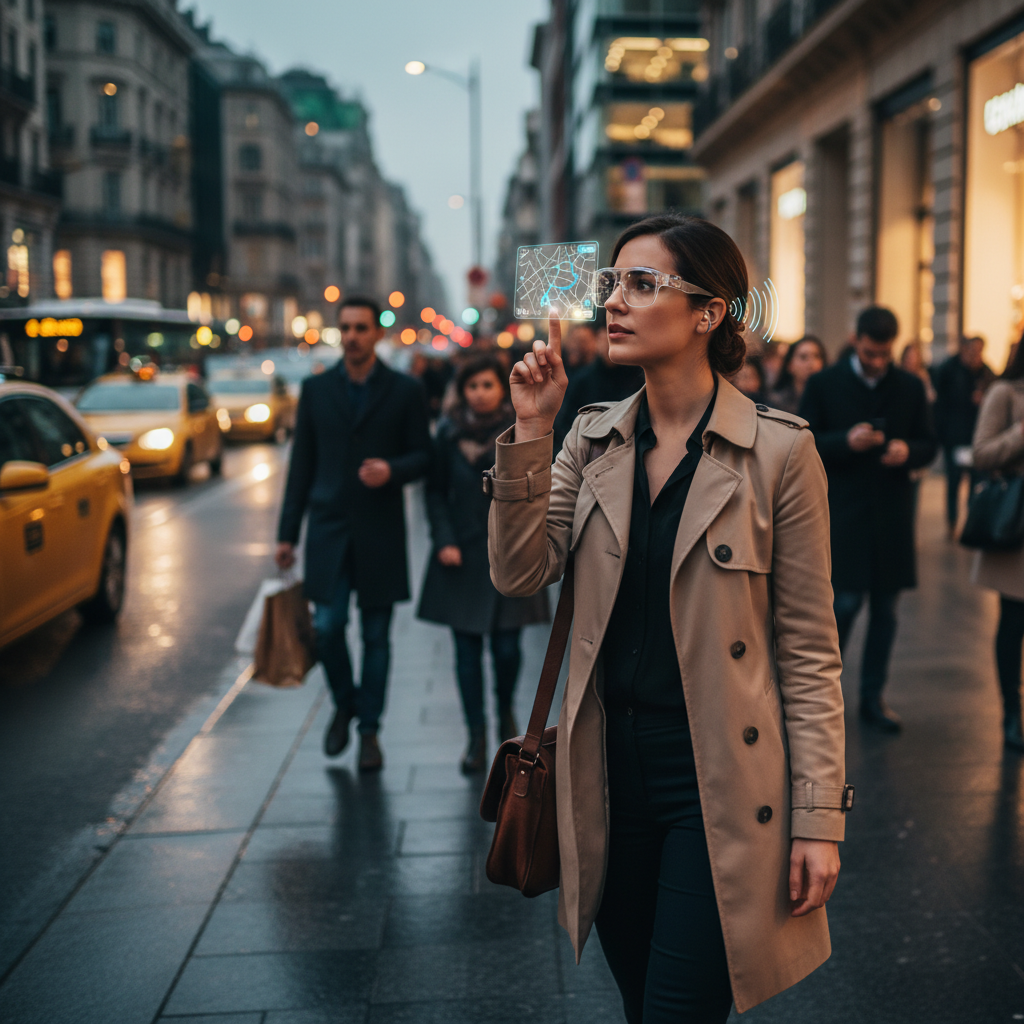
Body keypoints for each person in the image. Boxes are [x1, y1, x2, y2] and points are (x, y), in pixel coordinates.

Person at [487, 214, 848, 1021]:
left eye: (642, 284)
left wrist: (819, 818)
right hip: (605, 777)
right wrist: (535, 428)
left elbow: (809, 652)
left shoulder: (781, 454)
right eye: (611, 283)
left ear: (708, 313)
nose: (613, 301)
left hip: (720, 780)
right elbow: (519, 573)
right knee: (643, 1006)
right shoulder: (590, 440)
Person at [276, 297, 431, 769]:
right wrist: (287, 534)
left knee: (377, 636)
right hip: (328, 528)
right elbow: (301, 465)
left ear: (377, 334)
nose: (352, 337)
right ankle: (346, 703)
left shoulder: (405, 390)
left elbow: (424, 456)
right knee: (327, 628)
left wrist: (392, 470)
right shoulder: (316, 389)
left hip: (380, 529)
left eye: (361, 328)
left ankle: (368, 731)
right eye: (345, 328)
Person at [799, 307, 937, 733]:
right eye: (870, 353)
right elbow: (803, 441)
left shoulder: (909, 386)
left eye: (884, 354)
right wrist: (846, 441)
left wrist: (908, 452)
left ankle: (873, 698)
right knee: (842, 607)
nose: (877, 361)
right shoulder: (825, 383)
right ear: (855, 340)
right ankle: (821, 699)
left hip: (892, 515)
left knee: (886, 614)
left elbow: (930, 443)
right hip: (844, 513)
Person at [417, 356, 549, 773]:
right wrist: (444, 540)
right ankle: (475, 734)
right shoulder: (447, 433)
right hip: (461, 555)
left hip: (508, 552)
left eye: (488, 385)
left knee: (507, 649)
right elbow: (434, 492)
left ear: (501, 388)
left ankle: (505, 711)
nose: (480, 393)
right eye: (472, 386)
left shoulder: (518, 431)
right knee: (466, 653)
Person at [970, 335, 1024, 752]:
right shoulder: (1006, 392)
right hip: (1017, 523)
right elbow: (982, 452)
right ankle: (1011, 712)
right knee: (1014, 621)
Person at [554, 309, 645, 450]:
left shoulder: (637, 377)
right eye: (605, 338)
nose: (609, 343)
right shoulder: (583, 379)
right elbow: (565, 424)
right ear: (598, 340)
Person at [933, 335, 995, 535]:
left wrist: (984, 400)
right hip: (954, 438)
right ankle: (952, 522)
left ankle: (970, 523)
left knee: (976, 483)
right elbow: (940, 404)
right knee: (953, 482)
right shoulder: (949, 369)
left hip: (976, 438)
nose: (975, 355)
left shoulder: (986, 373)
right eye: (972, 351)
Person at [768, 335, 827, 414]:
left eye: (817, 356)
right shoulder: (776, 402)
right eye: (803, 357)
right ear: (790, 365)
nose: (811, 364)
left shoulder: (831, 400)